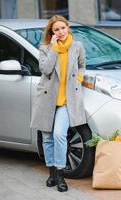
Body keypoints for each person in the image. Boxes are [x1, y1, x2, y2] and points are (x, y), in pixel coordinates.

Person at [30, 15, 87, 192]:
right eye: (56, 29)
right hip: (47, 99)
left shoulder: (77, 46)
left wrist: (78, 79)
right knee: (47, 138)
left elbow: (82, 65)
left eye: (63, 28)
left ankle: (61, 174)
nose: (61, 32)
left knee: (59, 135)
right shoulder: (46, 48)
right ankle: (52, 173)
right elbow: (45, 69)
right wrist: (54, 48)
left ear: (67, 28)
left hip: (66, 100)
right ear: (51, 32)